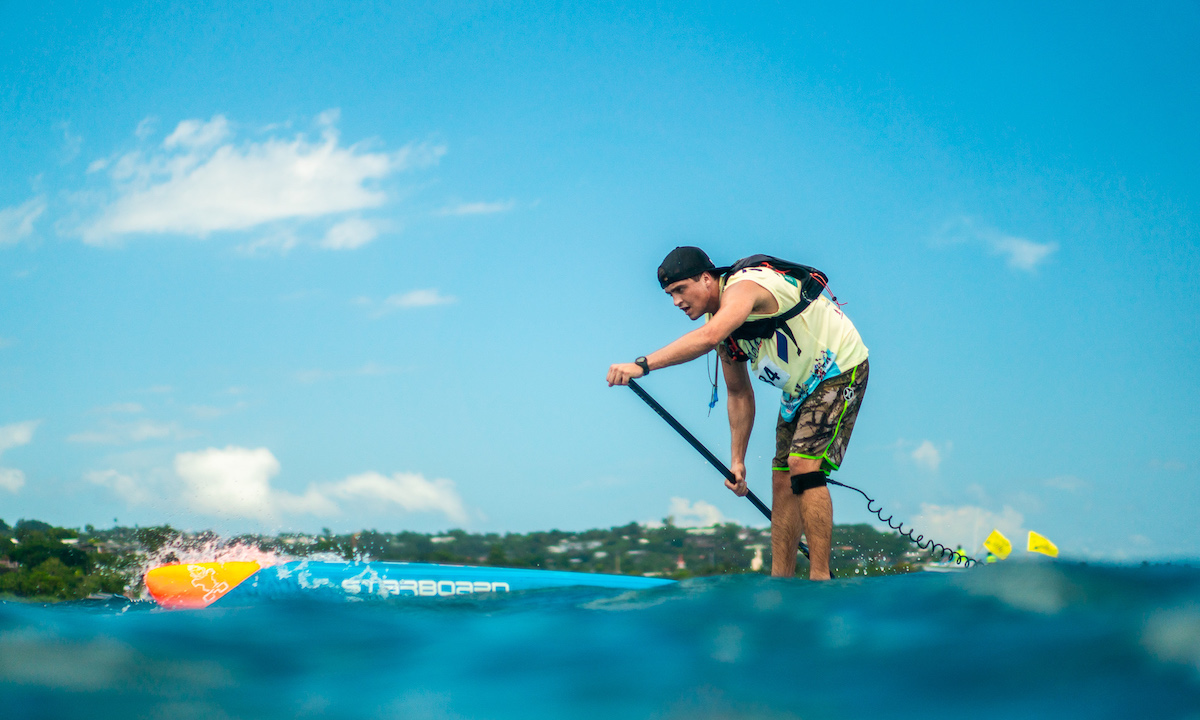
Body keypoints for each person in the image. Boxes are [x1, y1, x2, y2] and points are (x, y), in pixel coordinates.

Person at [607, 246, 869, 580]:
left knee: (803, 465)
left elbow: (709, 336)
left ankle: (821, 578)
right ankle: (782, 581)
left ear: (706, 279)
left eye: (680, 290)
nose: (676, 301)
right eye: (670, 295)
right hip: (799, 387)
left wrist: (642, 365)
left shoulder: (744, 288)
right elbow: (738, 392)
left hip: (839, 367)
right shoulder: (719, 323)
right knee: (782, 480)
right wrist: (737, 461)